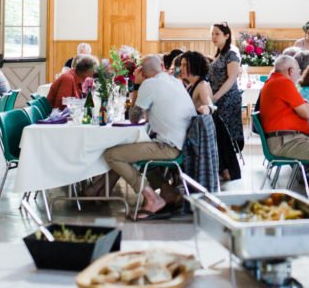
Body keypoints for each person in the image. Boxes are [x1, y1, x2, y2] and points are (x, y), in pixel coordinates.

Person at [103, 55, 196, 219]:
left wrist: (137, 85)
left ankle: (152, 198)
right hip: (185, 144)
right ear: (161, 65)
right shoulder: (174, 81)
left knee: (112, 155)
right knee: (141, 148)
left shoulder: (149, 84)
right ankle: (167, 191)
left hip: (170, 147)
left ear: (143, 73)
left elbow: (133, 117)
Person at [259, 54, 309, 203]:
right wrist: (307, 105)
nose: (300, 73)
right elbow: (307, 113)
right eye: (298, 69)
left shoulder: (274, 82)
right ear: (290, 70)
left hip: (290, 139)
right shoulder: (284, 83)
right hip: (286, 141)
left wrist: (306, 105)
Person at [179, 50, 240, 182]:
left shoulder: (202, 85)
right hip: (201, 128)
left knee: (226, 173)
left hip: (211, 128)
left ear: (194, 66)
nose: (181, 68)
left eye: (185, 65)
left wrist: (206, 108)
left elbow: (210, 105)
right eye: (181, 65)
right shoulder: (190, 84)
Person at [208, 22, 243, 152]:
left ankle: (228, 165)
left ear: (227, 35)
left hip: (227, 99)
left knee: (226, 133)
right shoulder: (220, 53)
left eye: (217, 34)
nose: (214, 37)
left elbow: (232, 78)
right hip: (219, 98)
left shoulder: (231, 53)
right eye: (212, 34)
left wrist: (215, 96)